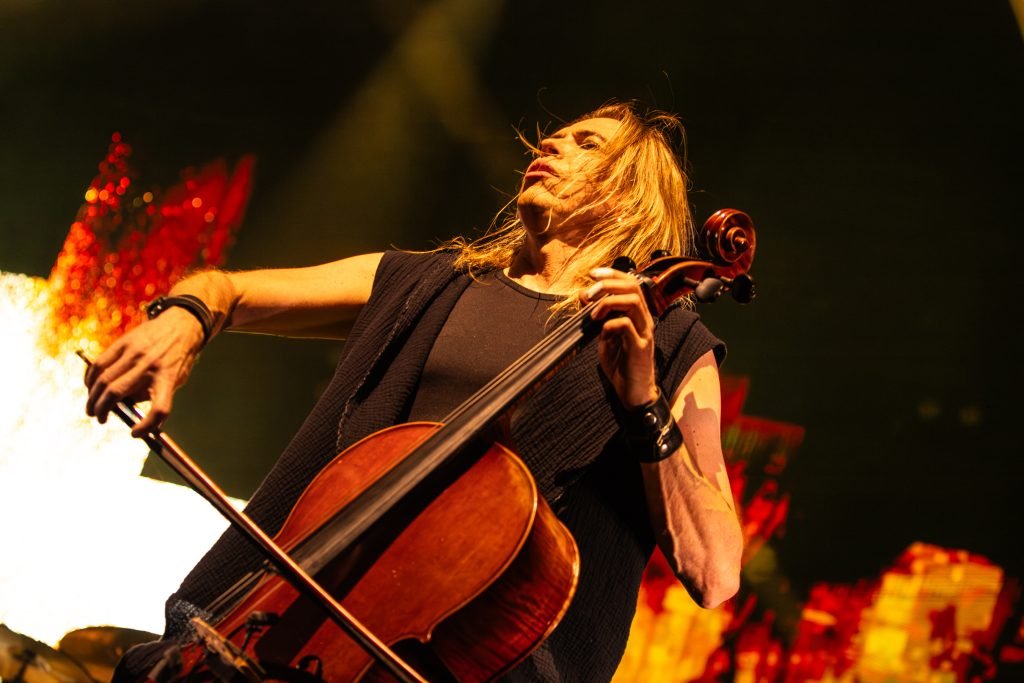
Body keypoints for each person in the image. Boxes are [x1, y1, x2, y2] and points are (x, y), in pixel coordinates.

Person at [85, 102, 743, 682]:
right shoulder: (430, 282)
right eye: (554, 138)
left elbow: (714, 570)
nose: (548, 145)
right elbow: (230, 291)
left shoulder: (666, 342)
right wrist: (186, 315)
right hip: (271, 619)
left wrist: (643, 400)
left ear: (631, 194)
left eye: (586, 144)